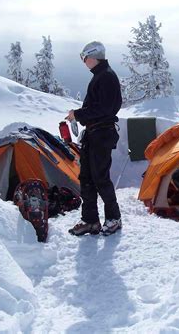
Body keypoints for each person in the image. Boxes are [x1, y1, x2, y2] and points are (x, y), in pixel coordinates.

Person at [66, 41, 122, 236]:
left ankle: (114, 218)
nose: (84, 62)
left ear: (93, 55)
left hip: (102, 133)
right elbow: (99, 108)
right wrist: (81, 117)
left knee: (100, 177)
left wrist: (78, 115)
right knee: (87, 177)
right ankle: (90, 220)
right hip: (94, 133)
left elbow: (105, 109)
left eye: (84, 58)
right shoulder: (100, 76)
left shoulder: (106, 76)